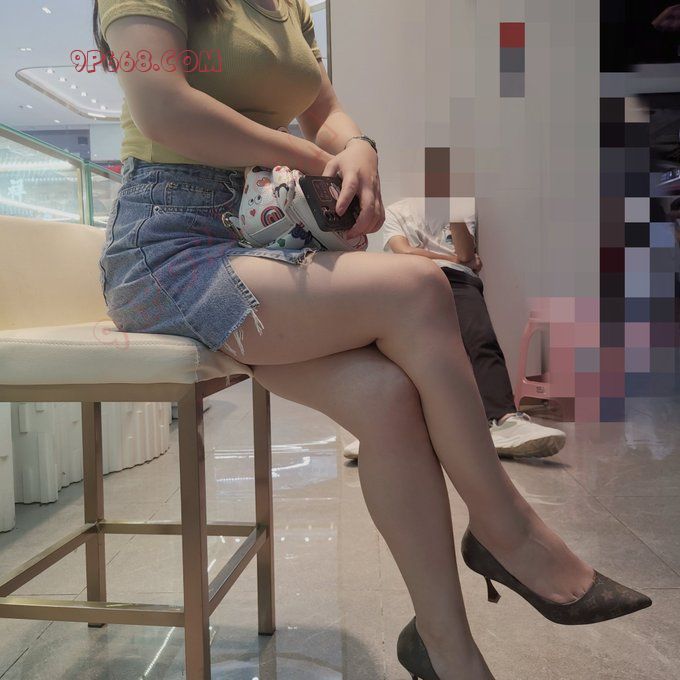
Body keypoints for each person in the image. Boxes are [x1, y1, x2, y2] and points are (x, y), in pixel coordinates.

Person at [95, 1, 652, 678]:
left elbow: (324, 107)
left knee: (387, 396)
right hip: (167, 247)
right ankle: (507, 529)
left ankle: (444, 649)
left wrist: (358, 146)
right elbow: (162, 108)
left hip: (259, 233)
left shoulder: (289, 5)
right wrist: (312, 157)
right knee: (419, 286)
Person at [342, 196, 566, 462]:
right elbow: (404, 252)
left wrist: (453, 219)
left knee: (480, 339)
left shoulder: (462, 208)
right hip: (409, 278)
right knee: (393, 352)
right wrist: (452, 257)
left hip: (458, 279)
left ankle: (504, 420)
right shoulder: (397, 210)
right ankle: (384, 430)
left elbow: (466, 255)